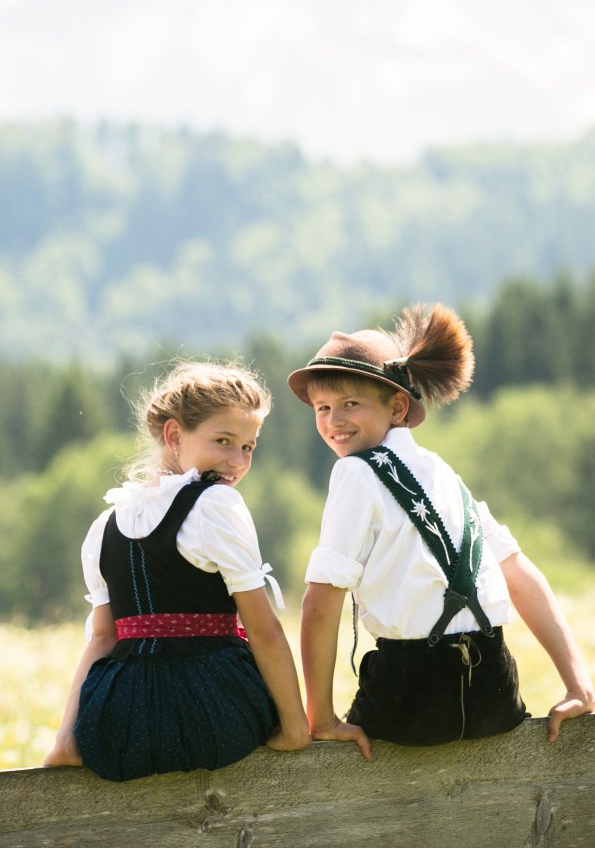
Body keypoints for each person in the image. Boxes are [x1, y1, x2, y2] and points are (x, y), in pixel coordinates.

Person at [288, 303, 594, 759]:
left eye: (350, 404)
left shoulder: (354, 472)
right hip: (495, 696)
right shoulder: (441, 471)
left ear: (397, 407)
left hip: (412, 701)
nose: (334, 421)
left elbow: (319, 603)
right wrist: (579, 685)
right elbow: (519, 572)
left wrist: (323, 719)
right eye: (322, 408)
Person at [44, 360, 309, 781]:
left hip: (120, 727)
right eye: (223, 441)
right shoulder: (216, 505)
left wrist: (65, 740)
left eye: (248, 447)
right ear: (173, 435)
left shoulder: (104, 527)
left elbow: (103, 638)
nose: (237, 461)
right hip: (214, 714)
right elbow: (264, 631)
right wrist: (295, 729)